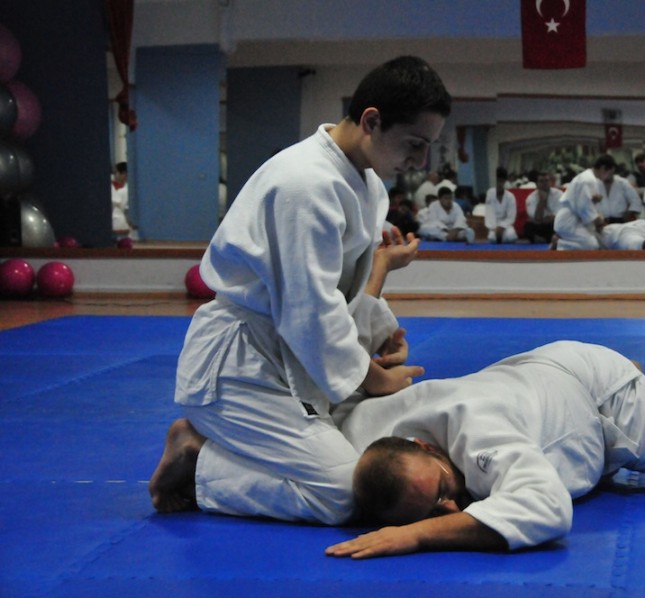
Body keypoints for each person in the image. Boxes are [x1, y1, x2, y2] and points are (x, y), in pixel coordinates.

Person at [147, 56, 451, 525]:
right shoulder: (305, 184)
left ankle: (219, 446)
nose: (420, 162)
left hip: (294, 357)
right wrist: (372, 378)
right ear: (372, 121)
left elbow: (337, 291)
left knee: (378, 447)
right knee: (347, 493)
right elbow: (309, 313)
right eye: (415, 144)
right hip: (237, 370)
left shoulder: (367, 184)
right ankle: (197, 455)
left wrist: (379, 334)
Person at [326, 341, 645, 558]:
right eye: (427, 513)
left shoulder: (481, 434)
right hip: (535, 385)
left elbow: (547, 508)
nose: (449, 507)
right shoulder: (359, 435)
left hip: (601, 398)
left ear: (426, 446)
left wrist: (418, 535)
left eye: (443, 490)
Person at [553, 155, 640, 250]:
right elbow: (583, 208)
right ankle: (560, 244)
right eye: (609, 172)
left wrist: (593, 201)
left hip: (578, 220)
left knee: (597, 241)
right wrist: (598, 220)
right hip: (569, 221)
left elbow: (581, 202)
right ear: (603, 168)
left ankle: (561, 244)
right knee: (591, 245)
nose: (609, 176)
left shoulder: (588, 178)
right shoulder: (587, 180)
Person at [523, 171, 562, 244]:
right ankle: (546, 239)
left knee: (560, 225)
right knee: (528, 226)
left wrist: (548, 219)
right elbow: (537, 218)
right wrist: (542, 201)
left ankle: (544, 239)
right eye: (541, 181)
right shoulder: (531, 197)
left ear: (550, 182)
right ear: (536, 184)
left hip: (552, 224)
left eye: (546, 181)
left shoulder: (559, 194)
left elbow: (558, 215)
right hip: (539, 225)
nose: (544, 183)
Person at [483, 167, 519, 244]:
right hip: (494, 226)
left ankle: (502, 238)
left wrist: (501, 227)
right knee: (492, 238)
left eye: (502, 181)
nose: (499, 184)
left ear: (505, 181)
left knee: (511, 236)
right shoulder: (490, 193)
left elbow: (511, 217)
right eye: (498, 181)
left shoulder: (510, 196)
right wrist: (494, 228)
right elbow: (489, 213)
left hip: (506, 226)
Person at [110, 161, 132, 239]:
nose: (114, 174)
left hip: (122, 224)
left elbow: (127, 211)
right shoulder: (109, 186)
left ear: (123, 174)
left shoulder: (129, 190)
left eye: (116, 172)